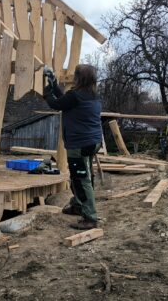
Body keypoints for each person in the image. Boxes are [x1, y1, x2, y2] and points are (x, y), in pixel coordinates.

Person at [43, 64, 103, 230]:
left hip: (80, 144)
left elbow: (57, 104)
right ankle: (78, 205)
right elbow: (65, 101)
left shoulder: (76, 96)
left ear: (79, 78)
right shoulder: (93, 96)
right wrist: (54, 85)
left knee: (80, 178)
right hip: (93, 143)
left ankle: (90, 217)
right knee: (85, 173)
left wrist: (47, 94)